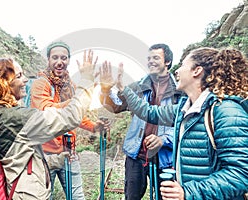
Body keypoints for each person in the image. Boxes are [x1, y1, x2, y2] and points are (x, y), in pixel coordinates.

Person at [100, 47, 248, 199]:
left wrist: (188, 192)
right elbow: (149, 112)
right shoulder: (184, 108)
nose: (178, 71)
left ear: (196, 71)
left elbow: (241, 173)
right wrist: (122, 88)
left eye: (183, 65)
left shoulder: (227, 111)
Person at [0, 51, 96, 200]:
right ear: (2, 83)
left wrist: (57, 160)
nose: (25, 80)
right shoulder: (16, 119)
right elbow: (70, 117)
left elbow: (16, 158)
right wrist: (87, 81)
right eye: (19, 76)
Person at [100, 43, 182, 199]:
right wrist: (105, 90)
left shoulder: (179, 90)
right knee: (132, 196)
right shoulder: (137, 87)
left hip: (165, 157)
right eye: (149, 58)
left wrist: (163, 140)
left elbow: (182, 124)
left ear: (167, 62)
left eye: (156, 57)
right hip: (136, 154)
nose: (151, 61)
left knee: (165, 197)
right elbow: (115, 106)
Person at [29, 41, 109, 200]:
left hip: (68, 153)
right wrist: (77, 99)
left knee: (78, 197)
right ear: (48, 60)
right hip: (44, 155)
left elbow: (76, 114)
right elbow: (47, 110)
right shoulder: (40, 84)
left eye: (64, 58)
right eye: (55, 58)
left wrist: (93, 127)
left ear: (69, 60)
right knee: (43, 197)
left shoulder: (70, 85)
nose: (60, 62)